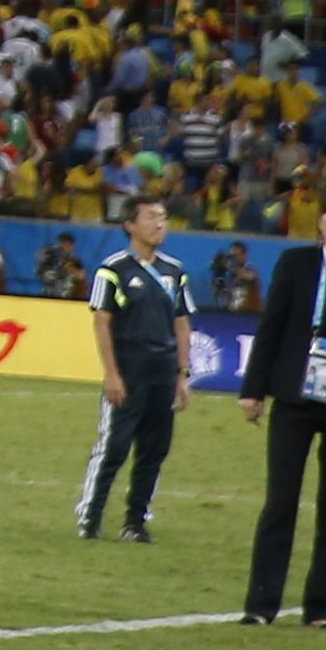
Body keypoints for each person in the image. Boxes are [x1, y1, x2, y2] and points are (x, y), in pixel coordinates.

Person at [237, 187, 326, 630]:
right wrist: (253, 390)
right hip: (295, 396)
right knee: (280, 502)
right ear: (320, 221)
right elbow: (272, 327)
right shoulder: (296, 264)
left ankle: (321, 608)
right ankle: (261, 605)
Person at [78, 196, 195, 545]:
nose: (159, 224)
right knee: (113, 446)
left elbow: (182, 324)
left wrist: (182, 373)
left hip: (163, 373)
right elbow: (102, 323)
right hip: (129, 372)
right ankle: (90, 517)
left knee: (154, 449)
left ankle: (135, 522)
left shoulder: (175, 271)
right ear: (130, 224)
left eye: (163, 217)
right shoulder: (112, 270)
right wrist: (111, 374)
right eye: (151, 217)